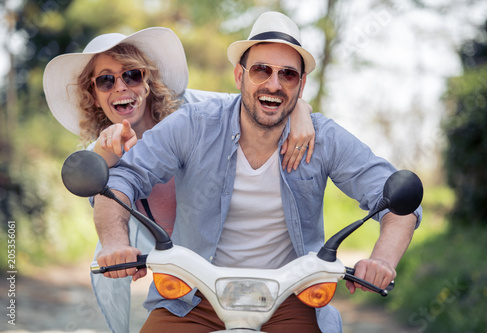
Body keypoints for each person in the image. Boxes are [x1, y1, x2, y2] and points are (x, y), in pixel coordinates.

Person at [93, 11, 422, 333]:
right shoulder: (195, 124)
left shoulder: (324, 139)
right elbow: (122, 177)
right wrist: (114, 242)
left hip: (289, 299)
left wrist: (381, 261)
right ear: (239, 76)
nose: (274, 84)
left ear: (301, 84)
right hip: (193, 298)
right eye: (261, 70)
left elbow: (397, 198)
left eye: (288, 75)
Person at [43, 27, 316, 332]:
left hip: (249, 265)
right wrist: (114, 242)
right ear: (93, 95)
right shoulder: (102, 150)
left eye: (132, 75)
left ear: (148, 82)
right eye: (106, 80)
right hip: (186, 281)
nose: (121, 87)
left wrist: (301, 109)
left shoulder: (192, 111)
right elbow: (104, 196)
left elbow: (258, 103)